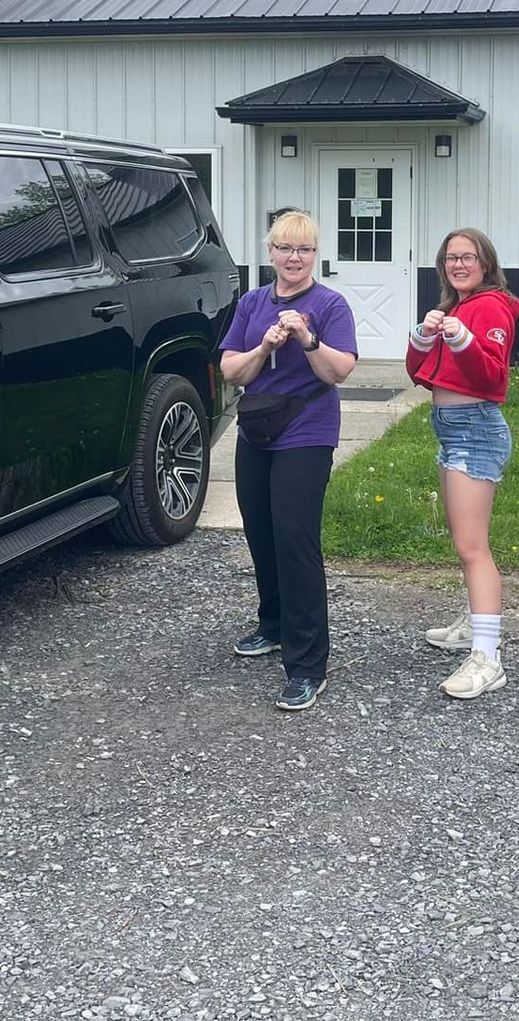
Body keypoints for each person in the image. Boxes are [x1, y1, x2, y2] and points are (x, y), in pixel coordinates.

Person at [218, 210, 358, 712]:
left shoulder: (330, 305)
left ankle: (307, 665)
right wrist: (263, 346)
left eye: (304, 250)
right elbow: (231, 370)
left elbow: (338, 371)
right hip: (257, 428)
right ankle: (273, 624)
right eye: (284, 248)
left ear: (315, 255)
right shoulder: (252, 303)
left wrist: (307, 339)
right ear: (270, 252)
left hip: (307, 429)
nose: (294, 258)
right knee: (260, 529)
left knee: (295, 538)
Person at [406, 228, 519, 700]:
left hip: (474, 429)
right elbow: (418, 373)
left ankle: (488, 658)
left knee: (473, 547)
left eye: (467, 257)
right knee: (463, 540)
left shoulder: (490, 306)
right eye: (450, 258)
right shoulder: (457, 307)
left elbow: (490, 376)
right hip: (453, 428)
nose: (458, 265)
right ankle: (475, 622)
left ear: (485, 263)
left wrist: (463, 341)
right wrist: (422, 336)